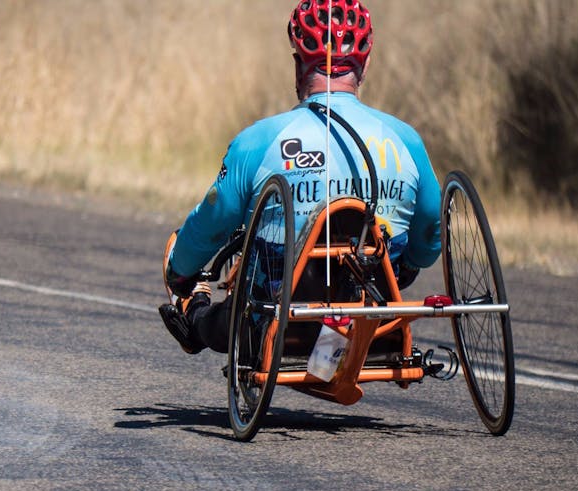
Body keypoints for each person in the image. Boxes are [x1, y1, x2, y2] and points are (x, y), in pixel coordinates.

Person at [160, 0, 441, 355]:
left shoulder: (257, 142)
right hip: (376, 320)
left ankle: (196, 318)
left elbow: (214, 223)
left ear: (298, 66)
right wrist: (407, 268)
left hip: (279, 324)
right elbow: (431, 233)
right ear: (366, 64)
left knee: (225, 304)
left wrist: (180, 269)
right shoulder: (407, 140)